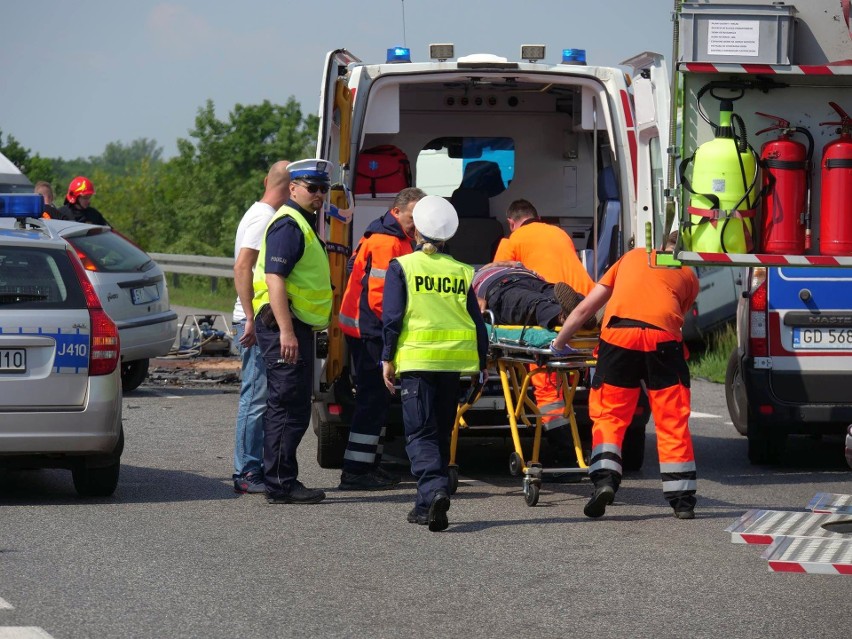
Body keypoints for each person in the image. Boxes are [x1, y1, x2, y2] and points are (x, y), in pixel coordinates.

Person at [550, 232, 700, 520]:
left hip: (619, 336)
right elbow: (677, 316)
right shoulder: (688, 273)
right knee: (671, 420)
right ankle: (682, 502)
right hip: (663, 340)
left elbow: (584, 308)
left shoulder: (631, 257)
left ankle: (605, 481)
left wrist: (558, 344)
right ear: (685, 250)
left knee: (609, 416)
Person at [381, 195, 489, 531]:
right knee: (440, 432)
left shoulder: (403, 267)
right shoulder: (461, 270)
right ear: (447, 235)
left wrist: (386, 357)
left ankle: (435, 489)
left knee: (419, 434)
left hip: (417, 363)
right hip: (452, 365)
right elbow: (476, 321)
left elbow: (393, 318)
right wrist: (481, 364)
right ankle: (426, 505)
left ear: (416, 231)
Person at [252, 159, 334, 504]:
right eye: (311, 188)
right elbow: (275, 278)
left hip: (296, 325)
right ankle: (280, 483)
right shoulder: (289, 224)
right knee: (287, 406)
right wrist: (286, 331)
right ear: (293, 189)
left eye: (323, 189)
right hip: (284, 325)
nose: (318, 195)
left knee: (294, 405)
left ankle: (282, 479)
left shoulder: (302, 222)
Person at [337, 186, 426, 491]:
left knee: (376, 401)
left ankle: (368, 467)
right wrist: (400, 329)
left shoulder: (385, 233)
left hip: (366, 328)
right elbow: (380, 298)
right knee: (372, 400)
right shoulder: (389, 241)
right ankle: (356, 472)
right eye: (413, 216)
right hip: (371, 330)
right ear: (397, 211)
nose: (417, 223)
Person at [492, 199, 596, 454]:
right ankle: (593, 438)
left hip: (548, 311)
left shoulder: (512, 241)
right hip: (586, 305)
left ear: (511, 222)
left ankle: (564, 449)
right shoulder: (559, 233)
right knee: (569, 378)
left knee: (546, 383)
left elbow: (499, 280)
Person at [231, 160, 291, 494]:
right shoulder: (264, 218)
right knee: (255, 396)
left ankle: (254, 468)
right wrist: (251, 317)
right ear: (289, 186)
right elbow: (243, 267)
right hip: (253, 320)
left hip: (256, 317)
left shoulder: (261, 213)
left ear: (267, 180)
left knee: (261, 396)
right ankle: (245, 472)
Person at [472, 261, 590, 329]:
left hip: (526, 277)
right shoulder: (466, 277)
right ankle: (565, 315)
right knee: (533, 301)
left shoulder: (490, 266)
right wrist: (473, 298)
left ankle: (588, 310)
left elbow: (514, 263)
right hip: (498, 290)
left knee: (554, 292)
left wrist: (505, 263)